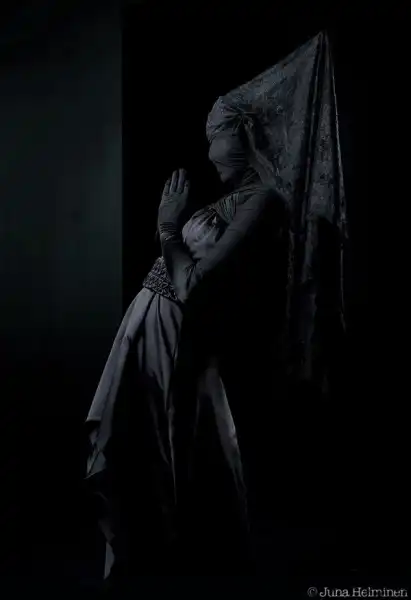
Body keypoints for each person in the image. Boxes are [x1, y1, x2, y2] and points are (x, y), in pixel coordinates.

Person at [85, 30, 347, 583]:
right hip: (155, 329)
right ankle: (157, 563)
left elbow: (194, 284)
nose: (209, 151)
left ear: (245, 134)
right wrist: (172, 232)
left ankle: (181, 566)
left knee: (175, 449)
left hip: (178, 337)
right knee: (156, 449)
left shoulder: (263, 201)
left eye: (217, 137)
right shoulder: (232, 199)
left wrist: (166, 227)